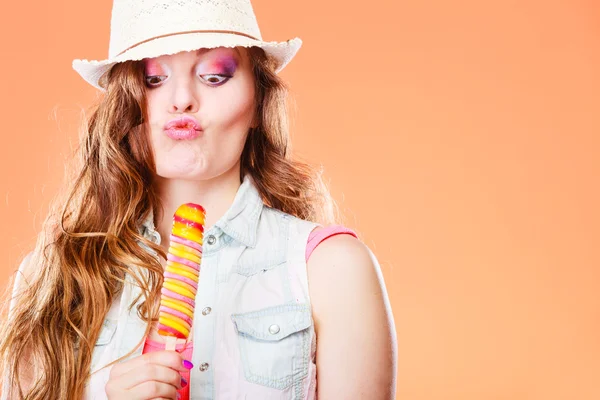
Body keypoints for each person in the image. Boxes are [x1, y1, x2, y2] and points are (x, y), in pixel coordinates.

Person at [0, 0, 397, 398]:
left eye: (214, 75)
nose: (182, 99)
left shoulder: (332, 269)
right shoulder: (51, 277)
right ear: (126, 101)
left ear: (258, 101)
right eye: (154, 79)